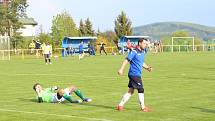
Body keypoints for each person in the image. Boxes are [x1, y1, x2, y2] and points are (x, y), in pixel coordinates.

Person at [117, 38, 152, 112]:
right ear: (140, 43)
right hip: (134, 74)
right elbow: (127, 60)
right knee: (141, 89)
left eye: (146, 44)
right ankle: (143, 107)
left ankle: (120, 105)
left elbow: (141, 62)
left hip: (136, 74)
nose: (145, 45)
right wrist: (121, 69)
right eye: (144, 43)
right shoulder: (134, 51)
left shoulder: (142, 52)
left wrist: (147, 68)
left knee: (131, 91)